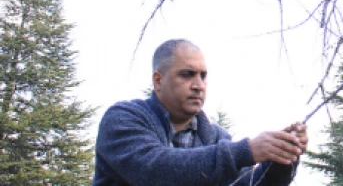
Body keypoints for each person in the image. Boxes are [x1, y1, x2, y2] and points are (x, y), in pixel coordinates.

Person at [93, 39, 308, 186]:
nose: (199, 85)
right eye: (187, 75)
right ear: (158, 80)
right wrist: (245, 151)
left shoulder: (216, 138)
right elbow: (155, 170)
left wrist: (282, 158)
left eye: (203, 76)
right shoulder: (122, 119)